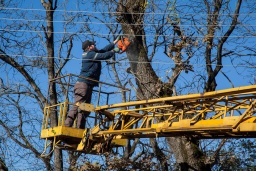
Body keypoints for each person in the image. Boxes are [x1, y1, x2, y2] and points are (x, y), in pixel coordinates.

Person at [64, 37, 120, 129]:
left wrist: (114, 42)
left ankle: (80, 128)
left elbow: (103, 51)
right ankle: (67, 125)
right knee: (77, 105)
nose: (95, 45)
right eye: (93, 45)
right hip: (83, 85)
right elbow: (103, 55)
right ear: (89, 47)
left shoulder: (92, 54)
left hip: (87, 85)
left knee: (85, 108)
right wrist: (114, 51)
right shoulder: (89, 54)